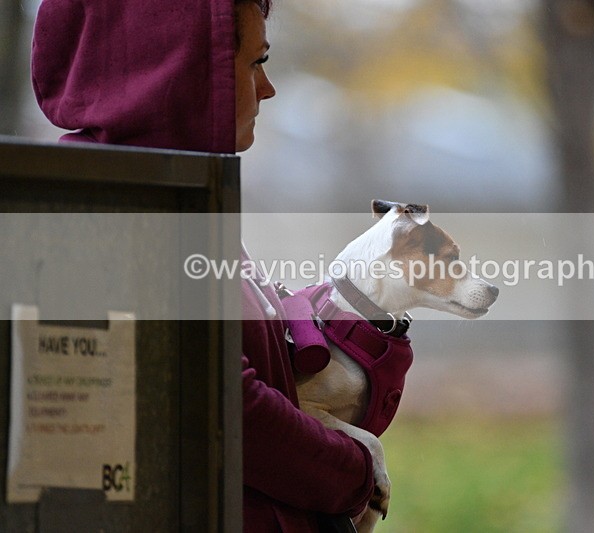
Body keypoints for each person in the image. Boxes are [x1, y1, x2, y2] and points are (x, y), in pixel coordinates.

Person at [31, 0, 375, 531]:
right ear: (185, 69)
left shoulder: (163, 196)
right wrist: (356, 473)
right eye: (256, 62)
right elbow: (220, 406)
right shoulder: (118, 212)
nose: (268, 88)